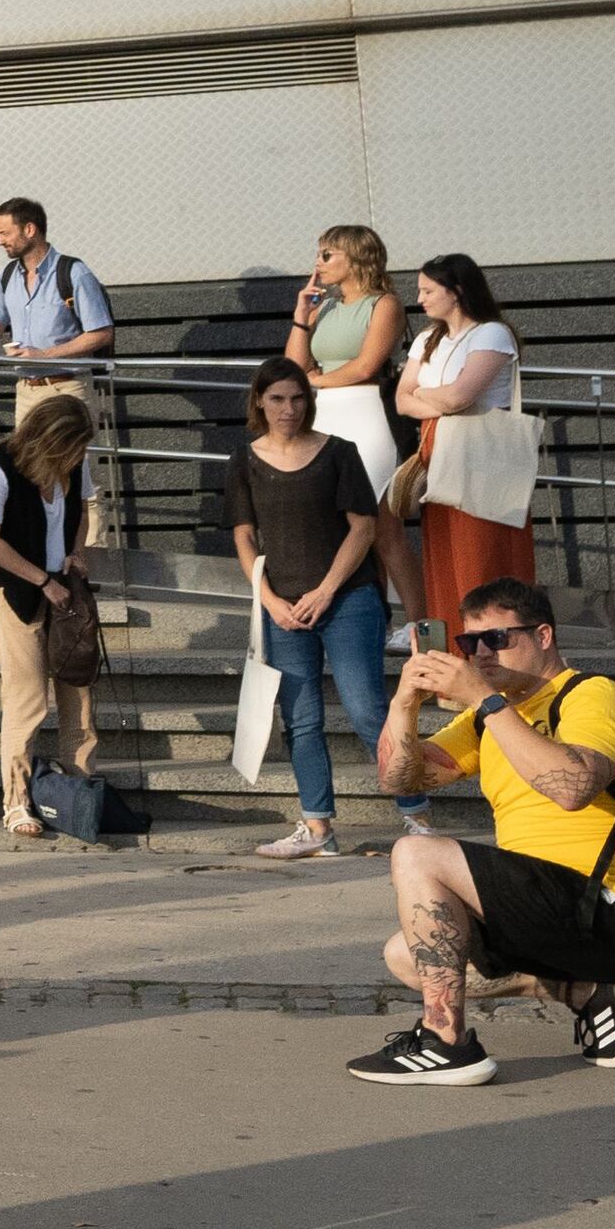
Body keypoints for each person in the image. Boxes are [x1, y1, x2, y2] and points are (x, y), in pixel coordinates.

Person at [347, 580, 615, 1088]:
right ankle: (591, 993)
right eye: (468, 643)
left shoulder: (591, 695)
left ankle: (446, 1041)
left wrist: (484, 699)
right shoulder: (489, 717)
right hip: (554, 908)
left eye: (498, 639)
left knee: (417, 852)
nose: (480, 653)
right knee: (406, 954)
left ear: (543, 635)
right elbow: (402, 780)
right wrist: (404, 704)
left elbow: (572, 788)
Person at [230, 361, 391, 862]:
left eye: (297, 398)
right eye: (277, 399)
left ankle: (417, 812)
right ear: (259, 401)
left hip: (347, 600)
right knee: (301, 721)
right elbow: (243, 535)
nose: (288, 409)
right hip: (283, 611)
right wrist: (271, 601)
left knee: (368, 711)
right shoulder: (244, 459)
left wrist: (325, 591)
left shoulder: (339, 452)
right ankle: (317, 826)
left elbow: (364, 529)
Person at [0, 396, 97, 841]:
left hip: (62, 584)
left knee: (77, 689)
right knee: (27, 697)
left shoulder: (75, 465)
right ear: (51, 441)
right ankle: (16, 802)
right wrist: (42, 581)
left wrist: (76, 553)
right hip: (13, 588)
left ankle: (80, 792)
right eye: (73, 449)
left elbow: (81, 511)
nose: (79, 459)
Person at [0, 199, 115, 554]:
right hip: (27, 390)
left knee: (80, 475)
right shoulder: (7, 277)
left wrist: (44, 355)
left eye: (5, 232)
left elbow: (101, 332)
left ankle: (89, 559)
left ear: (29, 229)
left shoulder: (73, 273)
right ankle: (44, 550)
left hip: (67, 387)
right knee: (30, 472)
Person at [395, 254, 529, 632]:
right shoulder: (426, 339)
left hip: (483, 457)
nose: (420, 298)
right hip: (438, 452)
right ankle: (454, 651)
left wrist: (425, 391)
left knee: (482, 556)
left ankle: (492, 648)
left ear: (455, 292)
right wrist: (440, 395)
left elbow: (460, 398)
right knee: (444, 556)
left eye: (428, 290)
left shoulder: (491, 333)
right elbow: (402, 400)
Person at [287, 225, 406, 492]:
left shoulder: (384, 304)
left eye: (326, 255)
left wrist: (316, 380)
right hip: (325, 410)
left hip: (369, 409)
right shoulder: (325, 306)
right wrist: (301, 316)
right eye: (318, 255)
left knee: (378, 515)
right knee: (329, 509)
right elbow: (295, 368)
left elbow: (366, 366)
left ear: (355, 258)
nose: (318, 263)